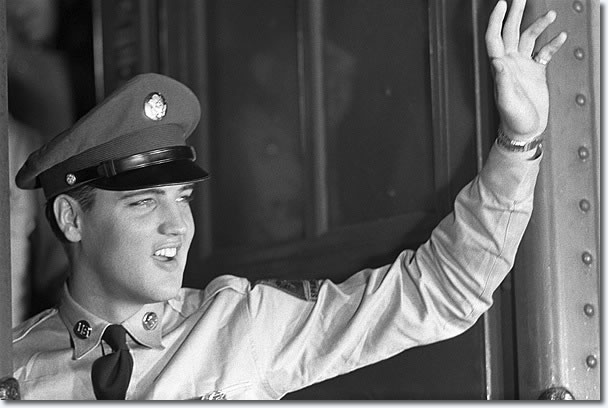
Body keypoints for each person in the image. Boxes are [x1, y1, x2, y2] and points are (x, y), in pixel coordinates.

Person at [11, 0, 567, 400]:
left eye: (182, 198)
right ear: (71, 218)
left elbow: (441, 292)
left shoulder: (242, 325)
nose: (177, 225)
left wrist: (518, 143)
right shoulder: (16, 371)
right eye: (143, 202)